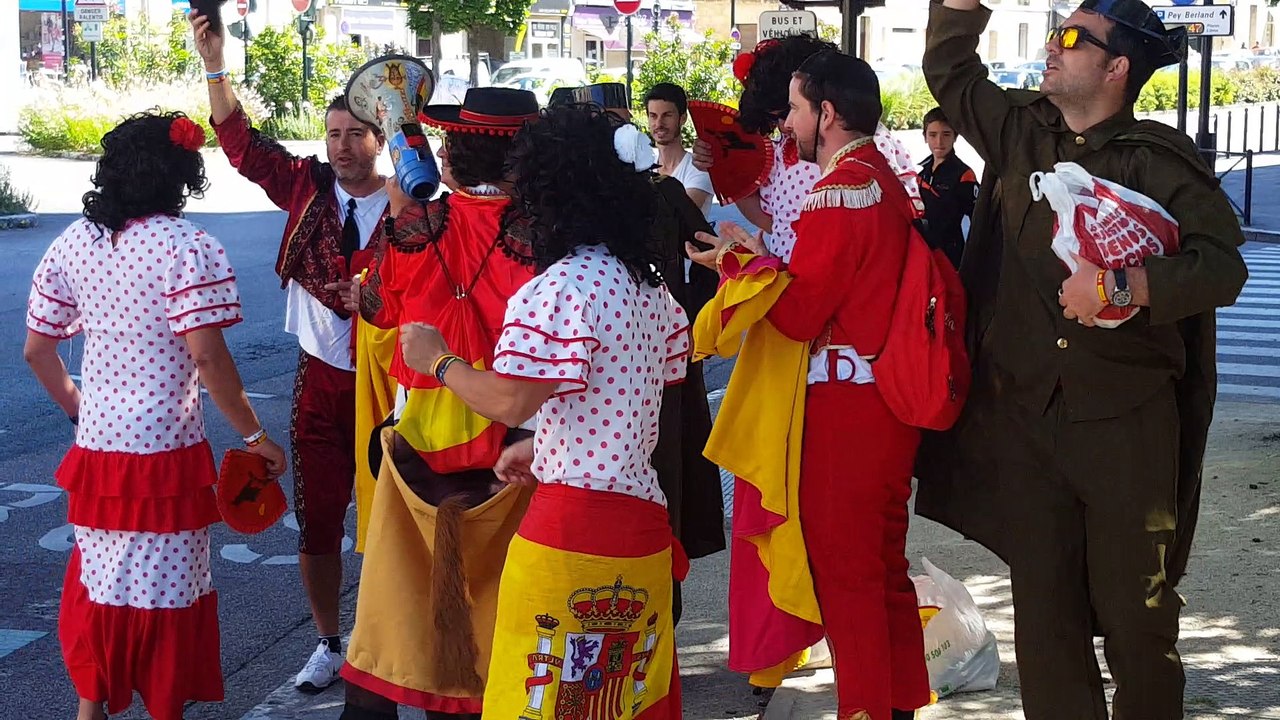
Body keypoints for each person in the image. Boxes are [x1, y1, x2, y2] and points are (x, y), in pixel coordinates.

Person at [916, 1, 1248, 718]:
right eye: (1055, 33)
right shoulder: (1020, 134)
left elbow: (1222, 266)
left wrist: (1125, 284)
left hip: (1127, 425)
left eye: (1072, 38)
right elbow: (949, 67)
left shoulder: (1156, 160)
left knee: (1139, 619)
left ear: (1116, 66)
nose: (1053, 48)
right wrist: (962, 9)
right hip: (1027, 424)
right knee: (1046, 622)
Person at [397, 102, 689, 719]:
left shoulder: (558, 289)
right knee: (621, 699)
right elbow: (628, 394)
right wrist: (549, 444)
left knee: (549, 700)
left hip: (571, 533)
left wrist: (439, 362)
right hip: (640, 528)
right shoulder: (646, 285)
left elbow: (510, 398)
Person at [686, 51, 930, 720]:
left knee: (850, 579)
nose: (786, 122)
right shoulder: (877, 176)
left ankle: (870, 710)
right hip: (877, 399)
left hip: (846, 409)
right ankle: (895, 704)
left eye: (794, 108)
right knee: (879, 575)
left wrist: (735, 258)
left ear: (826, 114)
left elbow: (795, 314)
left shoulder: (839, 190)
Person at [23, 111, 287, 720]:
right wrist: (255, 435)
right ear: (180, 177)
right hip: (164, 455)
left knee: (103, 586)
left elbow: (39, 350)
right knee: (166, 595)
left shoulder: (73, 243)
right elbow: (208, 358)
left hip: (97, 456)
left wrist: (80, 411)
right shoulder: (187, 249)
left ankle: (92, 710)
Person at [191, 11, 388, 690]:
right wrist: (215, 63)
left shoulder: (412, 209)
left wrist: (380, 307)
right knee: (318, 521)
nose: (340, 146)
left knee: (398, 521)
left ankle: (394, 640)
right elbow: (240, 146)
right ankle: (330, 642)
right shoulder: (307, 188)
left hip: (390, 388)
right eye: (333, 134)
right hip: (320, 379)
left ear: (379, 137)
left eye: (354, 134)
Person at [334, 87, 541, 720]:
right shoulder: (547, 232)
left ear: (452, 157)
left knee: (399, 600)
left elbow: (380, 309)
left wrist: (365, 286)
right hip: (513, 437)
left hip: (420, 435)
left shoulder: (415, 225)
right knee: (496, 600)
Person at [548, 82, 727, 582]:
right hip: (625, 368)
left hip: (653, 362)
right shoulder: (567, 208)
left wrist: (695, 319)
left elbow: (711, 253)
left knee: (658, 488)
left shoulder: (663, 195)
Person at [918, 107, 978, 269]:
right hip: (925, 250)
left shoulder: (964, 174)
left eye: (946, 134)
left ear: (955, 136)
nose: (939, 142)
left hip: (952, 254)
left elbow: (977, 220)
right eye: (932, 135)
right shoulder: (922, 172)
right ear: (924, 137)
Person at [645, 82, 715, 216]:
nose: (659, 123)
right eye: (653, 115)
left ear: (682, 118)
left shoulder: (699, 168)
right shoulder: (644, 166)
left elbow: (677, 217)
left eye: (667, 115)